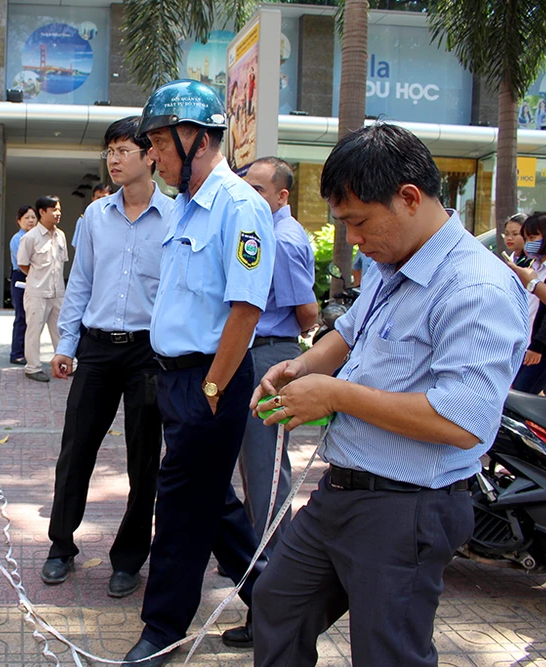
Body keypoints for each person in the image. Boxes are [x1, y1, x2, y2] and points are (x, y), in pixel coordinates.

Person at [250, 123, 529, 667]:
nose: (353, 239)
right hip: (343, 490)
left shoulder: (475, 287)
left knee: (387, 654)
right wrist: (301, 366)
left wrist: (336, 395)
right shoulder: (390, 260)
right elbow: (350, 331)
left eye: (358, 221)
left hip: (408, 506)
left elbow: (463, 421)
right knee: (278, 602)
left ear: (409, 198)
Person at [121, 80, 275, 667]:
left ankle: (161, 631)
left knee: (181, 509)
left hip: (213, 379)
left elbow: (246, 308)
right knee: (212, 503)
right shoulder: (187, 204)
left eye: (161, 143)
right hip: (177, 379)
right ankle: (275, 602)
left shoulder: (239, 206)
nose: (153, 155)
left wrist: (211, 388)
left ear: (198, 139)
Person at [42, 116, 172, 598]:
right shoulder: (95, 216)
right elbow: (81, 282)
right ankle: (60, 546)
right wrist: (66, 344)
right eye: (109, 151)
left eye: (123, 151)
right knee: (76, 449)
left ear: (149, 155)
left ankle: (129, 558)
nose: (113, 160)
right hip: (97, 349)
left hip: (148, 353)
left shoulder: (176, 216)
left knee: (144, 459)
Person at [220, 157, 317, 647]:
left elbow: (307, 312)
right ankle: (258, 579)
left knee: (267, 485)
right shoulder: (257, 230)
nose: (250, 196)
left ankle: (274, 610)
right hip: (250, 356)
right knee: (253, 478)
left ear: (282, 196)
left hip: (269, 357)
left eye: (259, 189)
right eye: (246, 187)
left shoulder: (285, 239)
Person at [505, 226, 546, 398]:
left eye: (532, 237)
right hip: (523, 343)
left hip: (543, 349)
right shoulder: (528, 264)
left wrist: (533, 284)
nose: (528, 243)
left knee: (520, 396)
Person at [18, 195, 68, 382]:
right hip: (37, 293)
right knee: (33, 331)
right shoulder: (30, 238)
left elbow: (62, 263)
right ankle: (33, 367)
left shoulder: (61, 235)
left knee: (60, 330)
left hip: (57, 292)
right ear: (42, 212)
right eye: (54, 210)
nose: (58, 213)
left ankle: (63, 364)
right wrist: (38, 278)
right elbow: (23, 264)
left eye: (59, 209)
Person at [9, 206, 38, 364]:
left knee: (32, 318)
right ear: (19, 221)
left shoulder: (37, 238)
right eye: (27, 218)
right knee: (21, 316)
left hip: (35, 277)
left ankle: (28, 352)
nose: (31, 221)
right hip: (21, 277)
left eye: (33, 217)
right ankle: (16, 353)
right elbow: (23, 263)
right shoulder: (17, 239)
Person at [73, 183, 112, 248]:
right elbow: (78, 246)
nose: (101, 201)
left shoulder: (117, 219)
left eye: (104, 198)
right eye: (98, 198)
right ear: (93, 199)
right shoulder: (84, 220)